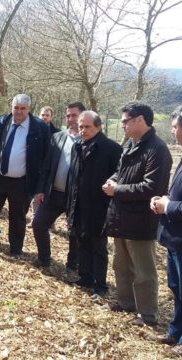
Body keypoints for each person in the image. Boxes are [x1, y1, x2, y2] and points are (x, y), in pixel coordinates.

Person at [103, 101, 172, 327]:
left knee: (144, 271)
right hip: (121, 215)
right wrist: (113, 179)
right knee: (121, 264)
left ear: (140, 120)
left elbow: (151, 187)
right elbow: (120, 171)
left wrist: (117, 190)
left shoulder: (157, 150)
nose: (122, 125)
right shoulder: (132, 145)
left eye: (125, 121)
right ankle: (126, 302)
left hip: (141, 219)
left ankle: (148, 314)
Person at [0, 94, 49, 255]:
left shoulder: (39, 127)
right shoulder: (2, 122)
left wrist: (40, 186)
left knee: (17, 217)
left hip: (22, 181)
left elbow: (45, 157)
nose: (18, 111)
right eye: (16, 107)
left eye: (22, 108)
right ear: (12, 107)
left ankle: (15, 249)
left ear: (29, 109)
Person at [66, 111, 121, 298]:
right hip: (79, 203)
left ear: (98, 126)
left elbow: (117, 176)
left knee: (98, 245)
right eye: (80, 126)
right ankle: (85, 276)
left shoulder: (111, 148)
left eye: (87, 126)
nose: (83, 130)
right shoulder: (78, 146)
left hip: (100, 205)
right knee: (82, 240)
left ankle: (100, 284)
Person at [32, 102, 85, 269]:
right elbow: (46, 166)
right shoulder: (57, 137)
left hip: (76, 197)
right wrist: (40, 190)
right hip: (54, 193)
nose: (70, 118)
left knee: (74, 233)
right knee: (38, 224)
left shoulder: (89, 140)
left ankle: (72, 265)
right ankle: (44, 258)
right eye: (68, 115)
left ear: (83, 116)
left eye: (74, 115)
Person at [150, 106, 182, 354]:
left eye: (175, 126)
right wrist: (165, 199)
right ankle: (176, 331)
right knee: (176, 287)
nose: (173, 131)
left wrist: (168, 205)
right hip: (174, 238)